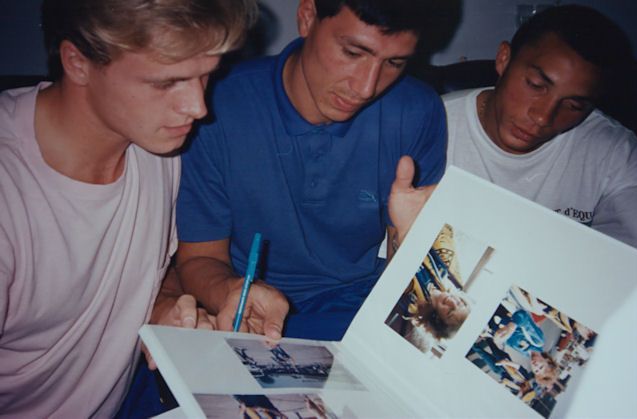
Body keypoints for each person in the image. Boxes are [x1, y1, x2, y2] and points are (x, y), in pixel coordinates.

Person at [0, 0, 286, 416]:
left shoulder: (158, 150)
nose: (198, 107)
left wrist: (165, 308)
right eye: (166, 82)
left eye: (206, 76)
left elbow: (146, 270)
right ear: (77, 62)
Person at [176, 0, 447, 339]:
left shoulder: (416, 111)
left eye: (393, 62)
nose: (366, 87)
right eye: (352, 53)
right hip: (253, 312)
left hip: (359, 305)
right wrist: (230, 292)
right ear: (306, 18)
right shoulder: (216, 105)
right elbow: (199, 258)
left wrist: (413, 245)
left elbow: (404, 276)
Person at [443, 5, 637, 249]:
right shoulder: (430, 126)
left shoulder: (614, 152)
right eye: (536, 85)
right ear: (504, 59)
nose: (543, 117)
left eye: (574, 105)